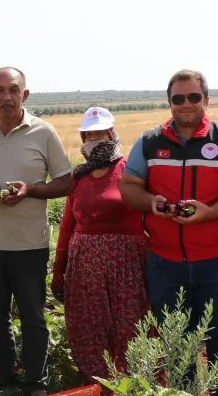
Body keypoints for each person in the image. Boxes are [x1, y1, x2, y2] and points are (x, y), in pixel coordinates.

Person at [119, 69, 218, 396]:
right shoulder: (150, 142)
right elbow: (128, 186)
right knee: (176, 343)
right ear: (169, 102)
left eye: (194, 97)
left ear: (206, 100)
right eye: (178, 98)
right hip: (166, 263)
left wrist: (209, 213)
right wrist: (151, 204)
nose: (186, 104)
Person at [0, 67, 73, 396]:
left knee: (33, 317)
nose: (6, 97)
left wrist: (31, 190)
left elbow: (65, 182)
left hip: (29, 244)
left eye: (13, 90)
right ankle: (2, 378)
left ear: (25, 94)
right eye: (0, 90)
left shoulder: (43, 133)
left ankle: (35, 381)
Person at [49, 107, 147, 382]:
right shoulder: (77, 177)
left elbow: (149, 213)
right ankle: (96, 386)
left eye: (100, 133)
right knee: (90, 326)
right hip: (85, 265)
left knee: (131, 324)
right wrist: (59, 269)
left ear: (112, 134)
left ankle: (135, 387)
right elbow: (68, 225)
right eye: (89, 134)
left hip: (126, 262)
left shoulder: (129, 169)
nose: (94, 139)